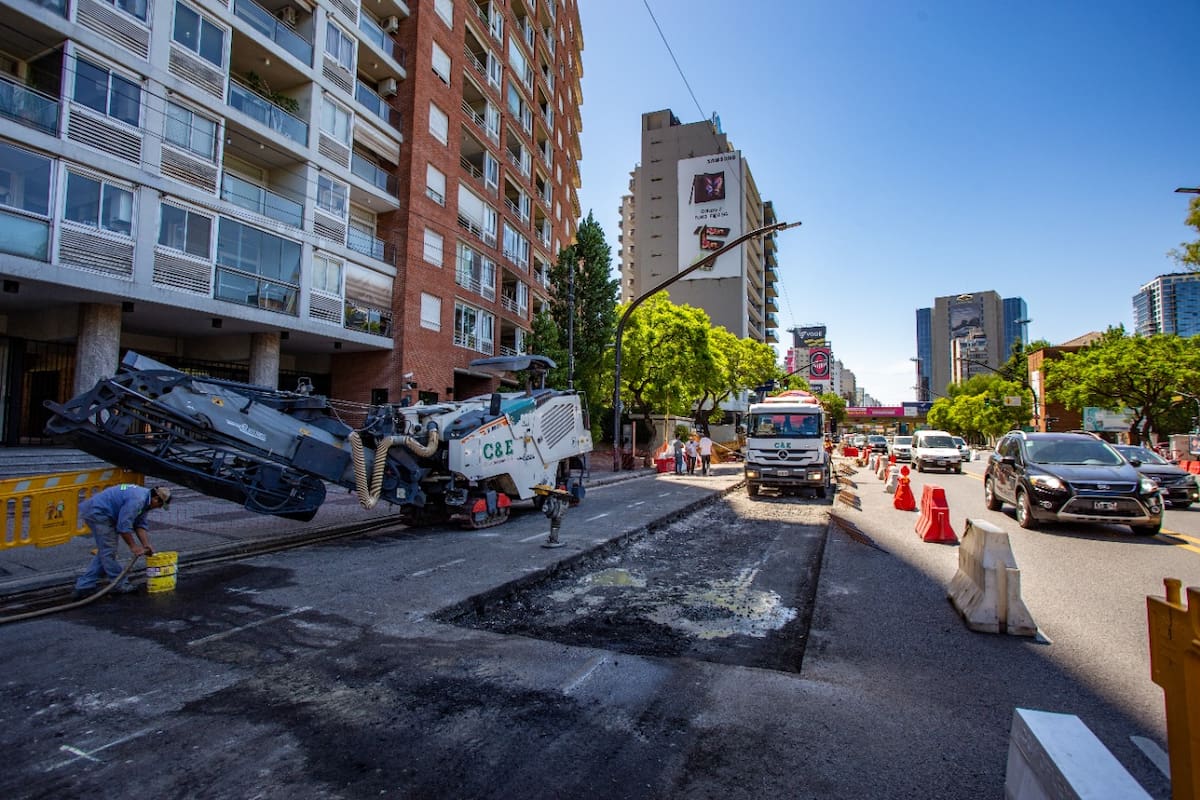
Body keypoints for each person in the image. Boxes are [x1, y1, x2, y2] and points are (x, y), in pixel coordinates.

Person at [73, 483, 171, 599]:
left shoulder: (145, 500)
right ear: (155, 498)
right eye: (160, 504)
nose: (159, 508)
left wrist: (146, 545)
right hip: (98, 513)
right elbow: (123, 527)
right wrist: (133, 547)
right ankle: (119, 584)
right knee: (108, 551)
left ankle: (84, 586)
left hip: (101, 511)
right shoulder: (138, 500)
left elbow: (140, 524)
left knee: (105, 552)